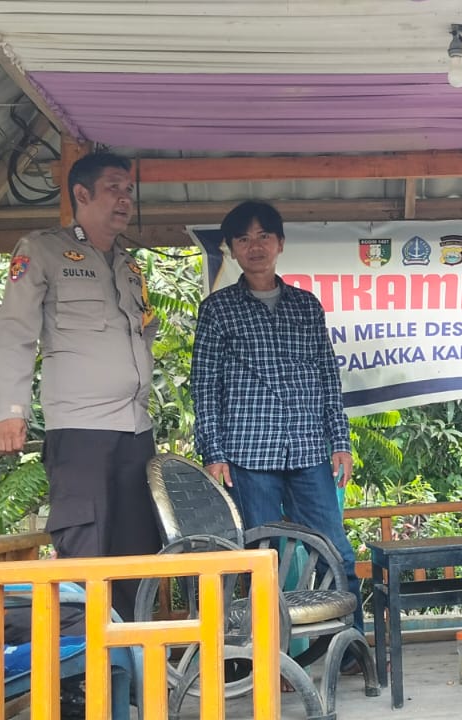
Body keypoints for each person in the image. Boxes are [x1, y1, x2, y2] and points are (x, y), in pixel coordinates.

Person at [0, 151, 161, 621]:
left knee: (137, 552)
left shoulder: (130, 266)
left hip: (136, 430)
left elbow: (144, 334)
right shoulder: (42, 250)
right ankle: (83, 659)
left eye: (128, 190)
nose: (124, 199)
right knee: (86, 549)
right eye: (113, 188)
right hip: (81, 431)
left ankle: (133, 660)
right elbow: (15, 332)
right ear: (82, 194)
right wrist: (11, 411)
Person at [191, 200, 361, 625]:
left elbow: (327, 377)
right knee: (262, 559)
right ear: (232, 249)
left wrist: (340, 442)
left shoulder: (306, 306)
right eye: (243, 239)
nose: (255, 246)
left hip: (309, 452)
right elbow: (205, 386)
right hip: (248, 457)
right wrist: (213, 453)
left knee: (336, 552)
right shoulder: (218, 309)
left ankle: (349, 646)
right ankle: (271, 651)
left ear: (280, 243)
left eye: (264, 236)